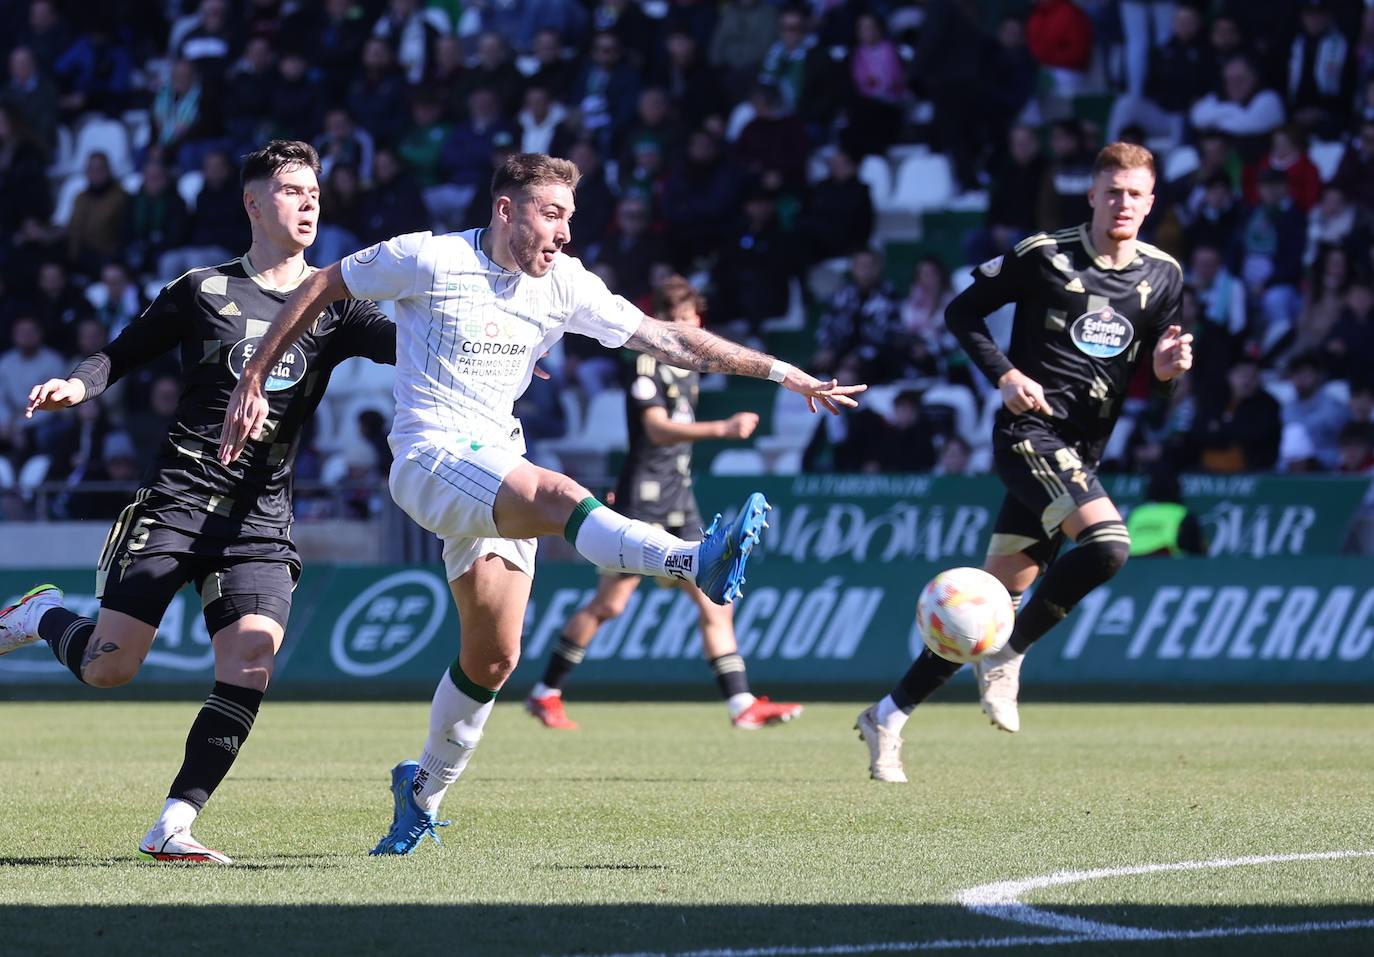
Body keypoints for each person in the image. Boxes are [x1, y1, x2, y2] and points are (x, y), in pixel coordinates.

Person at [217, 152, 862, 854]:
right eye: (552, 215)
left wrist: (780, 371)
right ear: (506, 209)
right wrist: (256, 373)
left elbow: (670, 338)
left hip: (497, 459)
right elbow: (326, 280)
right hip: (431, 457)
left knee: (493, 656)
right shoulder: (426, 259)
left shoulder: (565, 285)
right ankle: (690, 559)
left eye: (570, 219)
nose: (564, 233)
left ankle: (422, 791)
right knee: (557, 492)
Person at [0, 141, 396, 862]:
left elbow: (411, 346)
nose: (309, 202)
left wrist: (495, 347)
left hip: (260, 519)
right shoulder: (203, 289)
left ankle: (174, 821)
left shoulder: (335, 308)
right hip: (176, 502)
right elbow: (119, 353)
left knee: (251, 658)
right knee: (109, 667)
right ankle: (38, 614)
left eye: (315, 191)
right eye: (291, 190)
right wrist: (77, 385)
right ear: (253, 203)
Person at [855, 142, 1193, 782]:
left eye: (1135, 194)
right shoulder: (1046, 255)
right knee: (1110, 545)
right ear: (1092, 195)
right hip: (1028, 437)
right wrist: (1005, 374)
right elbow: (962, 313)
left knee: (988, 605)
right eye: (1112, 191)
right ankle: (1011, 656)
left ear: (1152, 204)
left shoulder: (1163, 276)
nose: (1122, 203)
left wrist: (1168, 374)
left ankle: (888, 716)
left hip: (1084, 454)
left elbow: (1162, 374)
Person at [524, 276, 802, 731]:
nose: (685, 330)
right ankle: (546, 692)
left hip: (679, 497)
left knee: (714, 601)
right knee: (610, 605)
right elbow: (654, 428)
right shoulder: (646, 365)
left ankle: (741, 704)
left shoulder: (690, 372)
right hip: (644, 499)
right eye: (676, 321)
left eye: (690, 320)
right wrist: (722, 430)